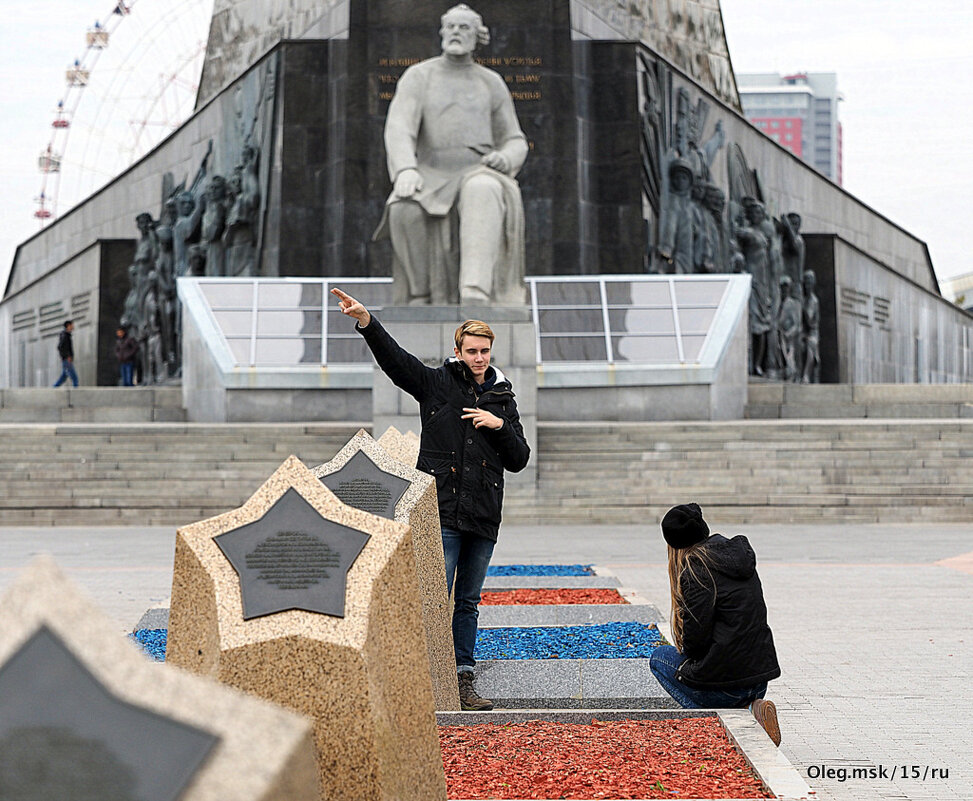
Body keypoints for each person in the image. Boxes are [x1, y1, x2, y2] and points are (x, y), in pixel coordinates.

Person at [331, 287, 530, 710]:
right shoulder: (438, 385)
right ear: (457, 350)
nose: (479, 358)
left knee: (468, 602)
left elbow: (520, 460)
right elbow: (397, 362)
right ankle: (415, 679)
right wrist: (367, 322)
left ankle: (462, 680)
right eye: (472, 351)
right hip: (443, 512)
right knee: (432, 596)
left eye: (485, 351)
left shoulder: (504, 400)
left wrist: (499, 425)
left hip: (484, 516)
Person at [374, 4, 529, 306]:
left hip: (478, 169)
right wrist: (406, 169)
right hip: (431, 171)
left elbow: (515, 139)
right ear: (442, 32)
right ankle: (421, 294)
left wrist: (506, 158)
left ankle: (475, 290)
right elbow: (399, 128)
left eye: (464, 27)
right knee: (403, 206)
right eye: (451, 27)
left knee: (482, 189)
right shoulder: (419, 76)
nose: (456, 32)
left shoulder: (490, 82)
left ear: (478, 36)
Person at [649, 503, 782, 746]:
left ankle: (731, 720)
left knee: (659, 658)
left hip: (728, 686)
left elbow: (695, 643)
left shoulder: (695, 568)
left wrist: (687, 653)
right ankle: (752, 708)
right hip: (759, 680)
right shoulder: (737, 554)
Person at [53, 320, 79, 387]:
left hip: (66, 359)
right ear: (68, 326)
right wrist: (67, 356)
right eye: (72, 325)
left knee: (64, 376)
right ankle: (76, 391)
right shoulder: (65, 335)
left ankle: (54, 387)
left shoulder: (67, 335)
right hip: (66, 359)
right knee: (74, 377)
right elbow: (60, 347)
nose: (73, 326)